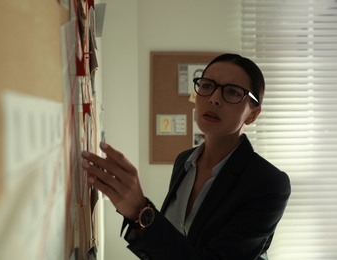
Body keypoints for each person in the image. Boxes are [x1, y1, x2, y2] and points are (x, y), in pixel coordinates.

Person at [81, 53, 291, 259]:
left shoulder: (268, 184)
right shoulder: (184, 161)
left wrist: (141, 212)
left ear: (253, 114)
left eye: (233, 92)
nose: (214, 99)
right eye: (207, 85)